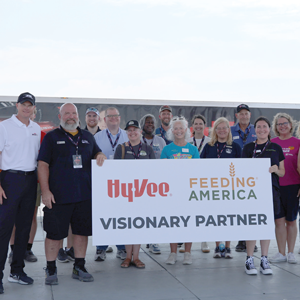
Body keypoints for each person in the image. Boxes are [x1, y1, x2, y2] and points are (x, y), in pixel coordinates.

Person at [38, 103, 106, 285]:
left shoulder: (87, 137)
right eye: (66, 113)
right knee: (54, 234)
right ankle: (51, 269)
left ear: (78, 116)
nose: (70, 116)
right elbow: (42, 165)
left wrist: (100, 154)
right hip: (58, 197)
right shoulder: (51, 137)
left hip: (84, 196)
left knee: (81, 233)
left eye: (73, 113)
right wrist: (45, 191)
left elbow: (97, 152)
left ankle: (79, 266)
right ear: (60, 115)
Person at [0, 92, 41, 294]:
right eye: (23, 104)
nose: (27, 108)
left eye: (30, 105)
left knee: (24, 228)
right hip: (10, 180)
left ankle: (16, 271)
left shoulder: (35, 128)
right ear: (17, 106)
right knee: (4, 230)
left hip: (30, 179)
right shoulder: (5, 126)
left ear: (34, 107)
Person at [242, 116, 285, 275]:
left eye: (264, 127)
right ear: (255, 130)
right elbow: (242, 171)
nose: (261, 130)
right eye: (258, 127)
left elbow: (282, 172)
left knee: (266, 225)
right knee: (252, 225)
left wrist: (275, 170)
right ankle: (249, 259)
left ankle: (264, 259)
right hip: (252, 193)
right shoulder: (247, 148)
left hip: (271, 192)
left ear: (269, 129)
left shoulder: (276, 147)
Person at [114, 120, 155, 268]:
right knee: (127, 226)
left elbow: (153, 172)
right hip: (126, 193)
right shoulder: (121, 148)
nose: (132, 133)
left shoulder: (148, 149)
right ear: (126, 133)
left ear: (140, 132)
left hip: (143, 193)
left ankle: (136, 257)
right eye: (129, 130)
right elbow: (115, 171)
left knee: (138, 226)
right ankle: (127, 257)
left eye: (135, 130)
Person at [7, 108, 46, 264]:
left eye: (33, 113)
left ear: (35, 115)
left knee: (31, 216)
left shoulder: (40, 132)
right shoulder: (9, 129)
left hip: (33, 180)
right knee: (14, 217)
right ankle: (13, 249)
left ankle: (27, 249)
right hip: (14, 180)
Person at [201, 117, 242, 259]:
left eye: (224, 127)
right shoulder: (209, 146)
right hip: (212, 189)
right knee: (216, 218)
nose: (222, 130)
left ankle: (228, 247)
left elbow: (242, 169)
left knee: (229, 219)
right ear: (215, 130)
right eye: (219, 128)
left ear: (228, 130)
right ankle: (218, 247)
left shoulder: (236, 147)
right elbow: (199, 166)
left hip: (229, 189)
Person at [161, 116, 199, 265]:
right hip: (172, 193)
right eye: (175, 128)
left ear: (186, 130)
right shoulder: (167, 149)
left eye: (181, 128)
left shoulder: (193, 149)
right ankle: (173, 253)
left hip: (189, 192)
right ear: (171, 131)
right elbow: (162, 171)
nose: (178, 131)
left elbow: (198, 171)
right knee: (173, 222)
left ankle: (188, 253)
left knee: (188, 222)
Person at [94, 107, 128, 261]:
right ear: (105, 119)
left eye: (116, 116)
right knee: (104, 214)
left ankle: (122, 248)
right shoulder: (98, 137)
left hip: (123, 183)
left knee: (121, 215)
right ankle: (101, 248)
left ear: (119, 118)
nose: (113, 118)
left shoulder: (128, 135)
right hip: (104, 183)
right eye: (110, 116)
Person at [269, 113, 299, 264]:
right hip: (276, 188)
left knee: (291, 221)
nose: (282, 126)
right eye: (279, 124)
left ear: (290, 124)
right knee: (279, 221)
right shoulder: (271, 143)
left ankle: (291, 252)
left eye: (285, 123)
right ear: (276, 127)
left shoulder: (298, 142)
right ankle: (281, 253)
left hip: (293, 187)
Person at [231, 104, 257, 252]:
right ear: (237, 116)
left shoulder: (256, 129)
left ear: (250, 115)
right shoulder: (230, 130)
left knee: (252, 207)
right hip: (235, 174)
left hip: (253, 174)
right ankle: (241, 240)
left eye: (246, 113)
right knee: (239, 207)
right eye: (241, 114)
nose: (244, 116)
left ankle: (252, 240)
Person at [139, 114, 166, 254]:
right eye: (147, 122)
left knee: (154, 213)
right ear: (142, 124)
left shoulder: (160, 140)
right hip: (140, 182)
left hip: (156, 182)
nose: (150, 125)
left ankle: (153, 240)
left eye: (152, 123)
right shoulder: (137, 139)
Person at [188, 114, 211, 253]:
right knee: (190, 210)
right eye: (195, 124)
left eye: (200, 124)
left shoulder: (209, 141)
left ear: (204, 126)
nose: (198, 126)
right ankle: (187, 240)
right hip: (190, 179)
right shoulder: (187, 141)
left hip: (205, 179)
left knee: (204, 209)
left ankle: (204, 240)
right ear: (192, 126)